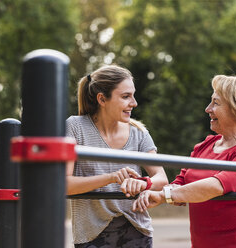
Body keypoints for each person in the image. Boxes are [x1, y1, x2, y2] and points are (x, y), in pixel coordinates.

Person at [132, 73, 236, 248]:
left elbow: (216, 186)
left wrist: (163, 195)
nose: (208, 109)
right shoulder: (205, 146)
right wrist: (148, 185)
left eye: (216, 103)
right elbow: (180, 184)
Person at [66, 65, 168, 247]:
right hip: (91, 235)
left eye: (133, 95)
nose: (134, 103)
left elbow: (161, 178)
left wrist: (145, 183)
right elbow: (64, 184)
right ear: (102, 99)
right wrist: (111, 178)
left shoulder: (139, 132)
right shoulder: (75, 127)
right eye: (125, 96)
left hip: (137, 231)